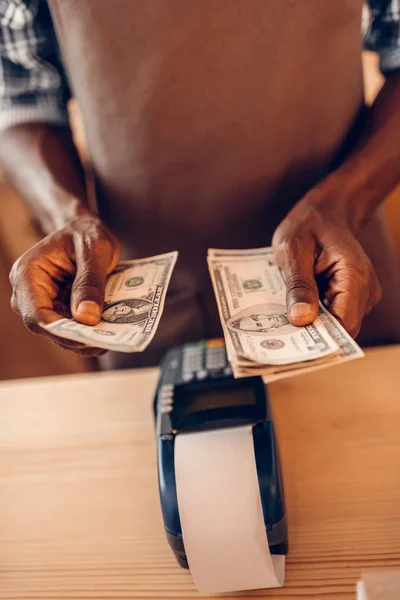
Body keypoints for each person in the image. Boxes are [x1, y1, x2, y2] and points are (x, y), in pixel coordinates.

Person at [1, 1, 400, 369]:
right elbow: (21, 94)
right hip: (126, 283)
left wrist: (342, 203)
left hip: (341, 275)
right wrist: (67, 216)